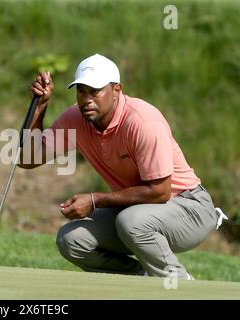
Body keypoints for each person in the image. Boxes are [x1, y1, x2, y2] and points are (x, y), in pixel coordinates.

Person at [19, 53, 228, 279]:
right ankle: (142, 278)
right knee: (71, 239)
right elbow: (28, 159)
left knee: (131, 222)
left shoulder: (143, 122)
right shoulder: (76, 119)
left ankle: (178, 283)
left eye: (95, 91)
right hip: (136, 211)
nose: (86, 99)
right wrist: (40, 108)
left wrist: (95, 200)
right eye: (81, 91)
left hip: (189, 208)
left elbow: (160, 192)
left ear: (117, 90)